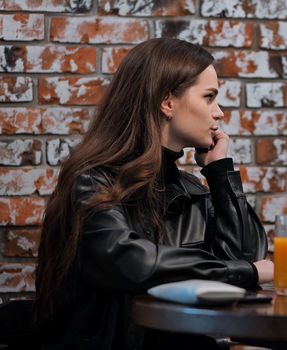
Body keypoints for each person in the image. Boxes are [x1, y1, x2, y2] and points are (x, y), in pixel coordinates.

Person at [34, 38, 273, 349]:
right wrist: (249, 271)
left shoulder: (190, 191)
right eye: (209, 97)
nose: (219, 113)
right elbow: (133, 263)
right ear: (167, 102)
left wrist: (220, 174)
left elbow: (246, 260)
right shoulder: (93, 181)